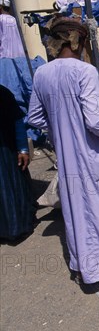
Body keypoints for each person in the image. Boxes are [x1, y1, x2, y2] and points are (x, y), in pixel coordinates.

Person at [27, 17, 99, 290]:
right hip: (93, 154)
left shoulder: (42, 74)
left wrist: (61, 128)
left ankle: (86, 270)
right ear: (79, 41)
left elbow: (35, 117)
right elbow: (96, 121)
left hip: (66, 157)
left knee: (76, 214)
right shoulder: (85, 72)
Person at [0, 84, 35, 241]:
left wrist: (23, 149)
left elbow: (17, 122)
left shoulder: (2, 93)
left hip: (6, 155)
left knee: (9, 193)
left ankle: (15, 229)